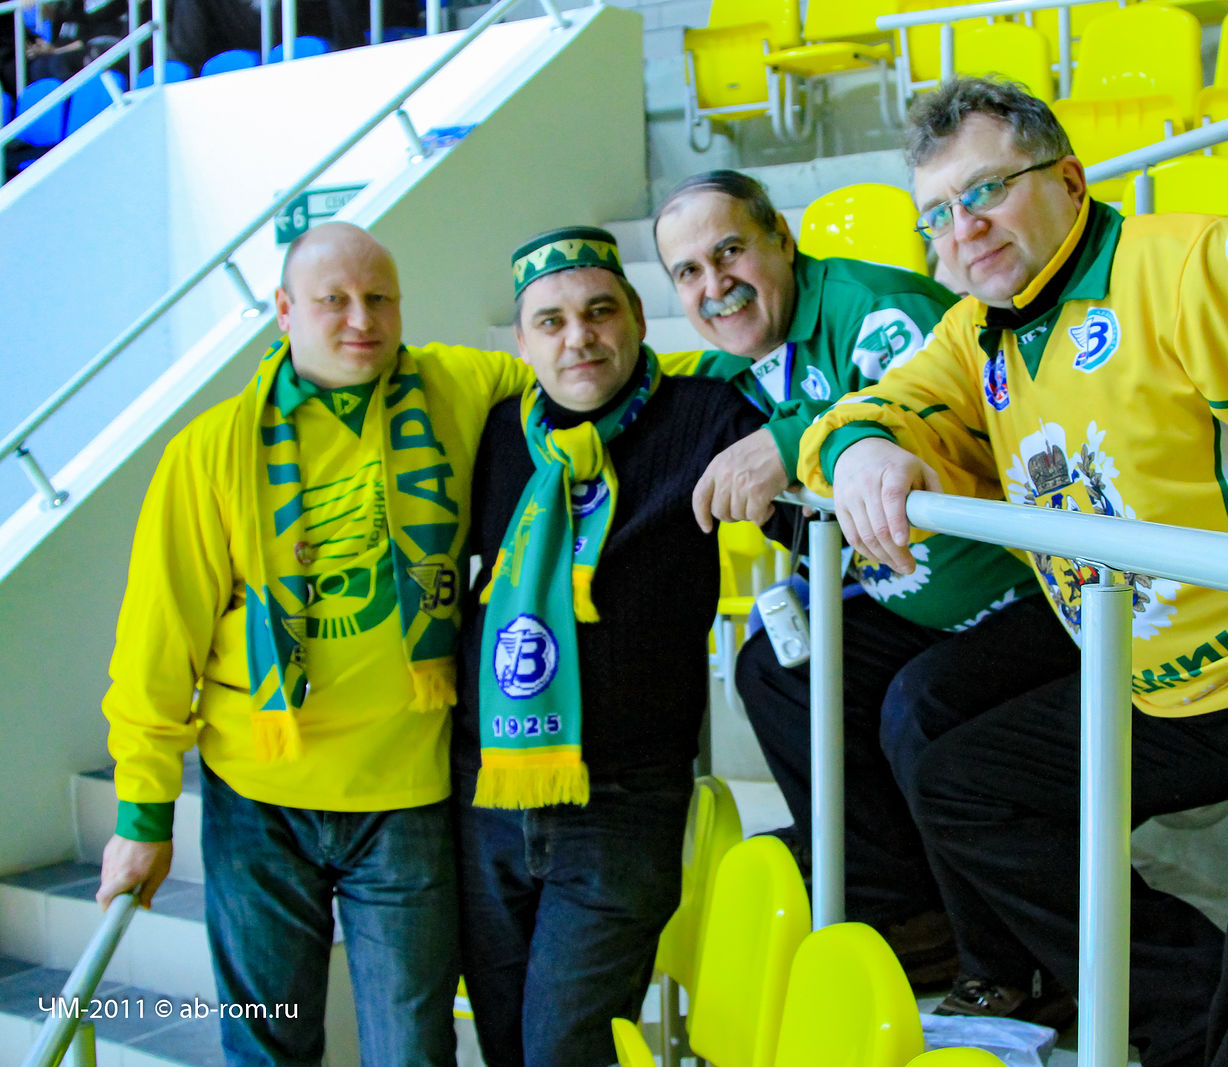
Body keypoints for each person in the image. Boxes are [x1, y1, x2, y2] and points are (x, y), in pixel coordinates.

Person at [798, 77, 1228, 1067]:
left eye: (986, 190)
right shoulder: (976, 332)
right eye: (938, 214)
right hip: (1173, 687)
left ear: (1069, 180)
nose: (964, 228)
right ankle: (1198, 1017)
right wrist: (862, 448)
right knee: (962, 783)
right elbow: (875, 410)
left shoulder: (1187, 265)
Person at [97, 221, 533, 1066]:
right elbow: (158, 643)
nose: (361, 319)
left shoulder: (459, 384)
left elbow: (588, 372)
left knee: (412, 1046)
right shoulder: (210, 450)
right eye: (333, 300)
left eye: (379, 298)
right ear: (284, 310)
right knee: (269, 1043)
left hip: (404, 793)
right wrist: (143, 813)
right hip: (257, 797)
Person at [654, 170, 1078, 1004]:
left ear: (782, 238)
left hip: (1040, 593)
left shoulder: (878, 309)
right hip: (918, 602)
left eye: (730, 251)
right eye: (688, 272)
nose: (715, 285)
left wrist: (789, 439)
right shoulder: (736, 366)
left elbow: (904, 405)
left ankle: (1006, 961)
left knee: (917, 704)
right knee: (775, 670)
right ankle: (901, 911)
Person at [451, 226, 770, 1066]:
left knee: (567, 1048)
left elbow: (806, 418)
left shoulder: (705, 414)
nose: (579, 337)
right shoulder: (496, 435)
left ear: (634, 314)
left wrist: (784, 440)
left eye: (599, 312)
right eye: (551, 322)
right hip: (486, 793)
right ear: (522, 344)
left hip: (623, 800)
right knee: (506, 1045)